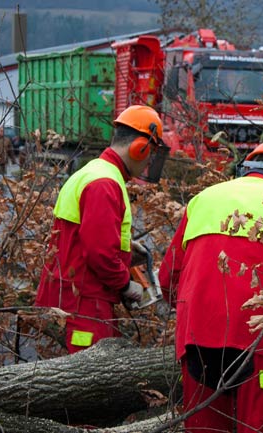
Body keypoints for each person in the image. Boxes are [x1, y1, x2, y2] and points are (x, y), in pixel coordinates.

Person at [158, 141, 263, 433]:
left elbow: (169, 276)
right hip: (259, 339)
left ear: (245, 168)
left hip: (197, 334)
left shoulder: (202, 199)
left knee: (205, 427)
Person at [34, 105, 170, 354]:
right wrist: (126, 284)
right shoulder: (104, 183)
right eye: (150, 155)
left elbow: (89, 234)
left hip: (84, 295)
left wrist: (126, 246)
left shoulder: (98, 172)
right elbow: (99, 252)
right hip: (86, 299)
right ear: (139, 149)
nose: (149, 162)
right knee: (88, 381)